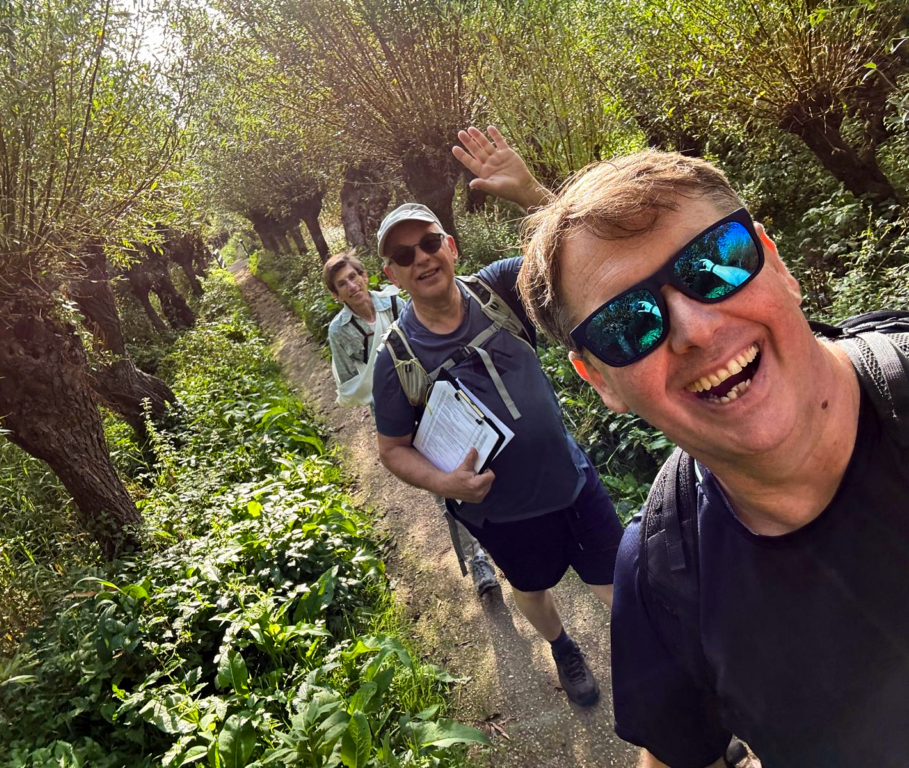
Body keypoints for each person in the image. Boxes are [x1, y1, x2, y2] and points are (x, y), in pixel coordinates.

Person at [512, 143, 909, 766]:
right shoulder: (661, 574)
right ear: (600, 381)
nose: (694, 329)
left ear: (776, 262)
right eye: (627, 323)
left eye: (714, 262)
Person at [372, 128, 624, 707]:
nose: (421, 259)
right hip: (502, 516)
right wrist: (444, 483)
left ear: (451, 246)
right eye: (403, 255)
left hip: (572, 480)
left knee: (624, 594)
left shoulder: (504, 287)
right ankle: (562, 647)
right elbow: (392, 449)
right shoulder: (396, 359)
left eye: (429, 243)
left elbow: (582, 248)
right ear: (392, 274)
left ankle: (680, 703)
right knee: (531, 590)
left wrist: (531, 191)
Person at [323, 250, 500, 597]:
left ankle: (501, 534)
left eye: (354, 276)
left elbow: (426, 342)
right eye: (342, 284)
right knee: (442, 484)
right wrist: (386, 377)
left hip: (436, 399)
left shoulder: (395, 302)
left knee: (474, 462)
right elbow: (348, 386)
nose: (351, 285)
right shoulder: (339, 332)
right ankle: (478, 559)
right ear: (336, 294)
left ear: (365, 276)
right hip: (396, 416)